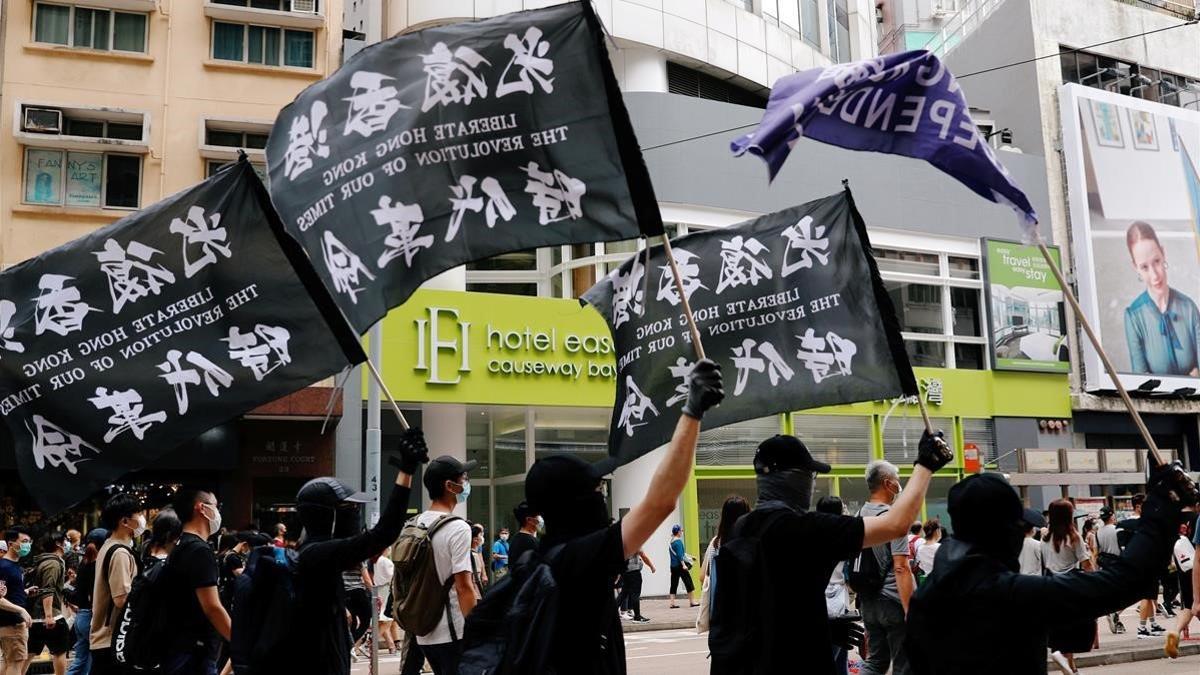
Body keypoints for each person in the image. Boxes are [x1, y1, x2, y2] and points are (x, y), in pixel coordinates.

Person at [513, 358, 723, 675]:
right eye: (596, 489)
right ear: (576, 503)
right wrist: (692, 411)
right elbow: (661, 501)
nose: (602, 495)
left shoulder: (539, 560)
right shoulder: (578, 558)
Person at [906, 463, 1198, 674]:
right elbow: (1124, 582)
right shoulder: (1005, 594)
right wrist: (1161, 506)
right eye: (1017, 527)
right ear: (1005, 532)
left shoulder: (928, 596)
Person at [710, 430, 951, 675]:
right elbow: (896, 524)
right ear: (795, 478)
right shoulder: (807, 528)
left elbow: (765, 603)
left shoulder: (740, 528)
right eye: (810, 475)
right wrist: (925, 465)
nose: (813, 485)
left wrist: (824, 628)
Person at [275, 429, 426, 675]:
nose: (355, 512)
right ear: (328, 514)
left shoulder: (313, 553)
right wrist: (406, 472)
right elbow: (383, 534)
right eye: (349, 507)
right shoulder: (317, 553)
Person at [858, 460, 926, 675]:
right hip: (893, 602)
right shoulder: (893, 518)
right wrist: (910, 610)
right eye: (897, 481)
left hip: (868, 600)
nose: (899, 485)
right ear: (888, 484)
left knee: (875, 662)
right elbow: (901, 567)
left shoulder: (858, 515)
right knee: (904, 664)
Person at [413, 454, 478, 674]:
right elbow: (463, 586)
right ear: (450, 486)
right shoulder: (458, 528)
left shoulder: (414, 524)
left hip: (424, 631)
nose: (466, 484)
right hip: (452, 630)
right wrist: (475, 629)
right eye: (464, 479)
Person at [159, 489, 230, 675]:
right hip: (193, 651)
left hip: (177, 646)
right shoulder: (200, 550)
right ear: (201, 508)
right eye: (216, 506)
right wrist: (240, 641)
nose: (218, 512)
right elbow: (212, 607)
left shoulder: (180, 546)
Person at [1123, 221, 1200, 375]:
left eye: (1156, 261)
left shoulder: (1189, 308)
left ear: (1163, 253)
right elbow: (1141, 379)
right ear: (1135, 267)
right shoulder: (1133, 316)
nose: (1155, 275)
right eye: (1144, 267)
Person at [90, 494, 143, 675]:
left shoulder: (108, 546)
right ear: (125, 521)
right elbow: (121, 599)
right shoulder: (120, 552)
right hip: (113, 641)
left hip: (105, 641)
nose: (142, 519)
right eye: (139, 514)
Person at [1042, 499, 1096, 672]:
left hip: (1050, 584)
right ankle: (1067, 662)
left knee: (1058, 626)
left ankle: (1069, 666)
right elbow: (1086, 564)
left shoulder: (1044, 536)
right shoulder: (1074, 537)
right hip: (1071, 584)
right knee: (1074, 626)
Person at [1118, 493, 1169, 637]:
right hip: (1146, 563)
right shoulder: (1143, 524)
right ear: (1139, 506)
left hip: (1133, 563)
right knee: (1146, 596)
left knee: (1150, 594)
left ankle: (1152, 624)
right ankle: (1141, 628)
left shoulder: (1123, 524)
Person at [815, 496, 852, 675]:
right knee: (837, 654)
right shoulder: (842, 535)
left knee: (837, 655)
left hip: (820, 598)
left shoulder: (811, 534)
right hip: (837, 601)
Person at [28, 531, 71, 675]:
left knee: (29, 653)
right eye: (65, 541)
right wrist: (49, 615)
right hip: (49, 616)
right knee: (60, 652)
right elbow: (48, 589)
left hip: (36, 616)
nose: (67, 544)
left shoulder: (43, 561)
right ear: (58, 544)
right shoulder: (52, 563)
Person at [66, 528, 107, 675]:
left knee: (81, 660)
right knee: (92, 661)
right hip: (91, 617)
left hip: (81, 617)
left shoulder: (84, 562)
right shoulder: (98, 565)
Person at [0, 528, 34, 675]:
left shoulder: (14, 567)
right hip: (12, 624)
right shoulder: (4, 567)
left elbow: (7, 593)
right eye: (24, 541)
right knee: (15, 665)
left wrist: (24, 592)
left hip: (10, 623)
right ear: (11, 544)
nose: (28, 545)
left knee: (9, 664)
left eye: (29, 542)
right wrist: (21, 610)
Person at [1166, 517, 1196, 658]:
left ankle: (1175, 632)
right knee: (1192, 607)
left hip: (1183, 575)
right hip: (1195, 573)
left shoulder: (1172, 539)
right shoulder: (1183, 539)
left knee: (1188, 608)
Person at [1096, 506, 1126, 633]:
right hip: (1118, 563)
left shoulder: (1098, 532)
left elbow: (1098, 550)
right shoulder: (1117, 529)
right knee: (1127, 593)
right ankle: (1115, 612)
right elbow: (1123, 547)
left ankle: (1115, 616)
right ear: (1112, 515)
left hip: (1104, 565)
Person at [616, 550, 654, 623]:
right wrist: (651, 566)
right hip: (634, 573)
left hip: (625, 572)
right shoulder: (634, 543)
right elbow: (643, 556)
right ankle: (637, 617)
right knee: (635, 595)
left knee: (623, 594)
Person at [667, 525, 698, 608]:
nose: (682, 532)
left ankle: (672, 603)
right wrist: (684, 565)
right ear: (678, 532)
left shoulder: (672, 542)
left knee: (674, 584)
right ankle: (692, 602)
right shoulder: (678, 542)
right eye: (681, 531)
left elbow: (679, 554)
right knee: (688, 582)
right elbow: (681, 556)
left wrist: (691, 557)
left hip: (673, 566)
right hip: (680, 566)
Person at [1018, 509, 1045, 577]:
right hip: (1035, 578)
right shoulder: (1037, 544)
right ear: (1033, 530)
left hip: (1020, 578)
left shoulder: (1017, 543)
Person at [469, 523, 489, 594]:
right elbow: (475, 580)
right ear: (475, 539)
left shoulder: (473, 553)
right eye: (480, 535)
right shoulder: (473, 556)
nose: (482, 537)